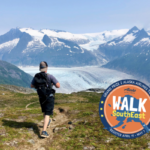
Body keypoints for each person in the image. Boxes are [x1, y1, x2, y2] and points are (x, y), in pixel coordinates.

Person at [30, 61, 60, 138]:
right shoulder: (50, 76)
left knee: (45, 112)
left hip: (41, 97)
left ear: (40, 68)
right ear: (46, 68)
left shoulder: (37, 76)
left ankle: (47, 122)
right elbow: (58, 86)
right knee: (47, 113)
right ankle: (44, 131)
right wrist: (51, 84)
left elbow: (32, 85)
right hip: (49, 97)